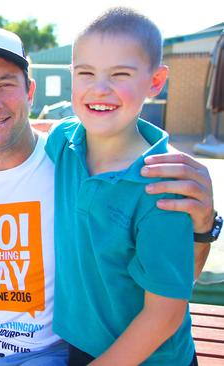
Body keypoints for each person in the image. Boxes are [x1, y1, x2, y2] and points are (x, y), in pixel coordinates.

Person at [0, 23, 215, 366]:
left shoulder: (84, 167)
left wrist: (203, 227)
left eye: (5, 84)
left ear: (30, 92)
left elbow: (174, 289)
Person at [47, 8, 210, 365]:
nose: (99, 88)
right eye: (85, 73)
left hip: (152, 357)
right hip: (83, 342)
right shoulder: (64, 141)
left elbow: (164, 316)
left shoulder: (164, 184)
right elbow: (31, 138)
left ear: (155, 81)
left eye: (120, 74)